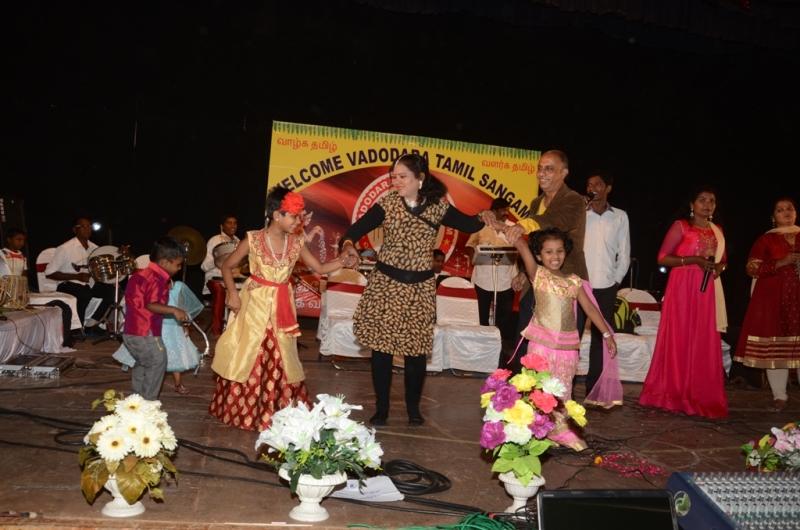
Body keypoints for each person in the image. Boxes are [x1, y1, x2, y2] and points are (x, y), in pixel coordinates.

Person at [339, 153, 494, 427]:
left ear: (420, 179)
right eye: (394, 177)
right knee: (382, 349)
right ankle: (382, 409)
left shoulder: (437, 207)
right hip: (385, 287)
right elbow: (355, 230)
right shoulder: (387, 204)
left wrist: (483, 214)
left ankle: (413, 408)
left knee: (416, 350)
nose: (396, 181)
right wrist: (349, 245)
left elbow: (470, 224)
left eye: (403, 177)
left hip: (419, 290)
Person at [209, 186, 355, 431]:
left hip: (282, 308)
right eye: (294, 216)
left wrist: (343, 260)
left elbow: (320, 268)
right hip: (254, 306)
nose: (299, 221)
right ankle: (242, 412)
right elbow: (227, 266)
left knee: (283, 355)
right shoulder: (252, 239)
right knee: (249, 353)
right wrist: (232, 293)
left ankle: (278, 412)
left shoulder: (297, 242)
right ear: (277, 215)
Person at [512, 228, 619, 449]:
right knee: (540, 389)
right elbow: (521, 245)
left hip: (567, 347)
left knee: (562, 388)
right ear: (539, 256)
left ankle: (557, 427)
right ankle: (540, 429)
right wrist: (505, 228)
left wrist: (607, 334)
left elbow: (590, 308)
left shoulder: (573, 281)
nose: (555, 256)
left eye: (560, 251)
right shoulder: (538, 274)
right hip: (541, 344)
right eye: (549, 251)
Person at [638, 186, 729, 418]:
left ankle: (700, 393)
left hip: (707, 290)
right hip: (682, 288)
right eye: (702, 200)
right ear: (692, 204)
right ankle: (673, 393)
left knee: (703, 338)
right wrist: (694, 260)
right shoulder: (681, 226)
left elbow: (723, 260)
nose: (707, 204)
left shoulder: (717, 230)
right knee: (680, 336)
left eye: (711, 201)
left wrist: (720, 267)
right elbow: (663, 258)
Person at [500, 151, 589, 374]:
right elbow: (535, 244)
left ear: (563, 173)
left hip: (565, 285)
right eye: (540, 168)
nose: (541, 173)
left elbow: (558, 221)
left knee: (562, 347)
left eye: (549, 168)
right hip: (537, 281)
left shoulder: (574, 200)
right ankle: (522, 387)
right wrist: (523, 271)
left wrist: (526, 224)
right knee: (525, 335)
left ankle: (560, 392)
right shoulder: (537, 202)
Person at [733, 198, 799, 412]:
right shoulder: (766, 240)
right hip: (774, 301)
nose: (786, 212)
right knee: (776, 349)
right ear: (773, 217)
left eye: (789, 208)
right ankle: (779, 396)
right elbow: (752, 268)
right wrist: (781, 262)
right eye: (780, 210)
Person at [121, 237, 189, 401]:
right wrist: (174, 310)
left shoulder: (140, 275)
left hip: (131, 331)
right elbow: (151, 304)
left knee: (143, 364)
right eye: (178, 264)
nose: (179, 268)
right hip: (146, 332)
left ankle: (135, 402)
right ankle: (147, 404)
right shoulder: (156, 279)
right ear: (164, 262)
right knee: (157, 362)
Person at [583, 171, 630, 396]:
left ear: (608, 188)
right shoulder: (581, 213)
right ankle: (565, 386)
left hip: (606, 285)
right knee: (572, 334)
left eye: (597, 184)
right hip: (580, 284)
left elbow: (624, 251)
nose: (592, 188)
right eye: (589, 185)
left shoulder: (620, 216)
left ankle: (594, 388)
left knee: (600, 337)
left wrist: (616, 280)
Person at [113, 279, 203, 395]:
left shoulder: (178, 286)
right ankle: (145, 386)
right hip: (156, 325)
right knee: (150, 357)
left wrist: (185, 324)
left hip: (173, 326)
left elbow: (181, 306)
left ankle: (178, 383)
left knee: (176, 354)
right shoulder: (153, 284)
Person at [44, 217, 116, 330]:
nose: (87, 229)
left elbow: (108, 260)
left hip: (88, 283)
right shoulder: (65, 248)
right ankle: (77, 328)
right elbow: (49, 273)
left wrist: (120, 253)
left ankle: (93, 322)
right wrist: (76, 276)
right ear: (74, 230)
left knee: (112, 291)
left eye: (89, 226)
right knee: (84, 293)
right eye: (83, 226)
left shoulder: (94, 248)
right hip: (67, 283)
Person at [465, 198, 518, 338]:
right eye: (503, 210)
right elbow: (469, 245)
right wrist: (473, 257)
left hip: (506, 280)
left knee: (504, 317)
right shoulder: (481, 226)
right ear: (494, 211)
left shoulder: (513, 227)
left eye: (508, 210)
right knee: (481, 315)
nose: (507, 213)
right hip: (482, 279)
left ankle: (501, 343)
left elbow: (520, 250)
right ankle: (481, 342)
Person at [201, 213, 240, 336]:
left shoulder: (238, 242)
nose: (232, 226)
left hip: (234, 279)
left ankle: (237, 330)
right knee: (220, 288)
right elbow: (204, 266)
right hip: (214, 278)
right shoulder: (215, 240)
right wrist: (218, 260)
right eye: (229, 223)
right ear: (222, 226)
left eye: (234, 223)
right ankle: (217, 332)